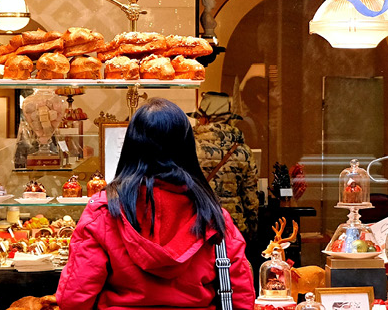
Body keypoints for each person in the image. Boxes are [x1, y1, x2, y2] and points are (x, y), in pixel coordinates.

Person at [57, 98, 255, 310]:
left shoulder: (104, 212)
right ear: (187, 147)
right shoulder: (213, 216)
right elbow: (241, 298)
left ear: (131, 146)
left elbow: (73, 299)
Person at [192, 92, 260, 238]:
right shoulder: (243, 150)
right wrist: (252, 227)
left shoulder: (190, 147)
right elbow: (250, 198)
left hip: (199, 224)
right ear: (229, 118)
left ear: (204, 118)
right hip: (233, 227)